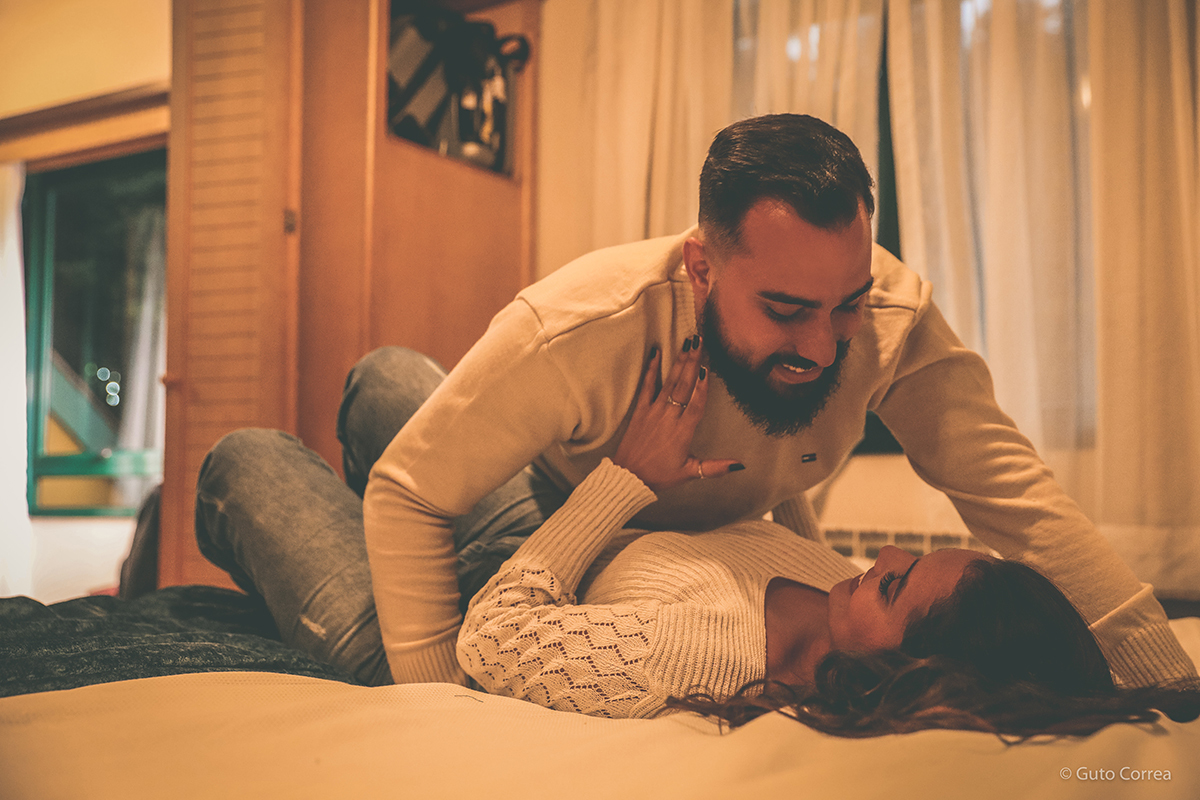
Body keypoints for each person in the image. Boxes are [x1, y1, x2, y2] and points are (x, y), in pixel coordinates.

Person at [351, 113, 1194, 689]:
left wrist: (1169, 685)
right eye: (785, 311)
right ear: (702, 269)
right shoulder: (579, 327)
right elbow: (409, 492)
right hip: (559, 506)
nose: (823, 348)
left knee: (385, 386)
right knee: (390, 380)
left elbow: (1021, 502)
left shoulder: (892, 325)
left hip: (639, 566)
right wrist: (437, 710)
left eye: (847, 305)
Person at [457, 350, 1199, 735]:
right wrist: (779, 443)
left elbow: (489, 636)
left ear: (908, 675)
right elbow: (780, 540)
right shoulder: (841, 613)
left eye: (894, 586)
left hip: (519, 559)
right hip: (592, 522)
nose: (884, 559)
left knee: (404, 380)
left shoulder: (682, 654)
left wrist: (627, 476)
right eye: (910, 559)